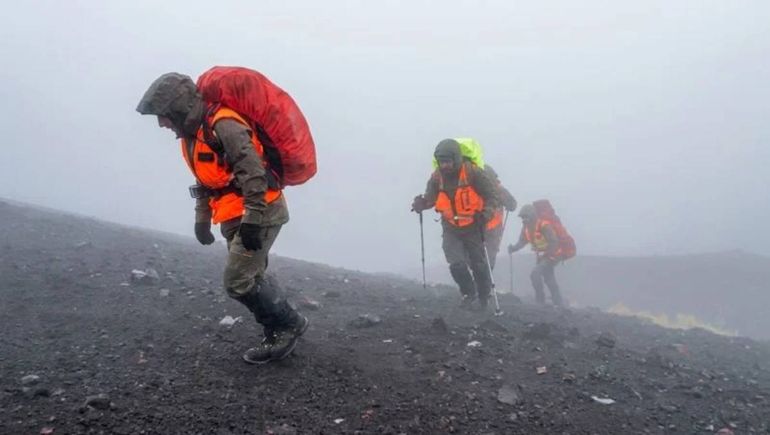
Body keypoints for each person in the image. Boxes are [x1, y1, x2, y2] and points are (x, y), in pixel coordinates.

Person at [136, 72, 308, 364]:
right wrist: (202, 218)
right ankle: (281, 323)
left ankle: (286, 325)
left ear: (177, 108)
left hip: (261, 209)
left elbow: (253, 173)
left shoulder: (223, 124)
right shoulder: (190, 138)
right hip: (231, 212)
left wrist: (253, 218)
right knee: (251, 275)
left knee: (237, 281)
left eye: (163, 116)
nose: (161, 124)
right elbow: (206, 179)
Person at [411, 139, 500, 310]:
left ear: (457, 158)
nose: (445, 166)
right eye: (441, 162)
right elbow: (431, 198)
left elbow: (492, 195)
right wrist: (421, 204)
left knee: (479, 264)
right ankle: (469, 293)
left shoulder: (473, 173)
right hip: (451, 226)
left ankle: (484, 297)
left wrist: (486, 214)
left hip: (474, 225)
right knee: (456, 263)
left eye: (448, 161)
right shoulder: (437, 177)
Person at [507, 204, 564, 306]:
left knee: (535, 274)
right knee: (548, 278)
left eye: (526, 216)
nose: (524, 219)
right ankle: (558, 302)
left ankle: (540, 300)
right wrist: (513, 248)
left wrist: (547, 255)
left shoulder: (543, 225)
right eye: (522, 217)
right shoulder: (526, 228)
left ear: (532, 215)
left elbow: (554, 241)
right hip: (541, 256)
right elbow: (522, 241)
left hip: (552, 255)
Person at [482, 165, 517, 269]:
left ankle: (484, 282)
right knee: (486, 257)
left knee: (488, 257)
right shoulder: (498, 189)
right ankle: (483, 282)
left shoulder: (498, 190)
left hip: (491, 229)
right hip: (486, 228)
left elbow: (512, 204)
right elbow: (512, 205)